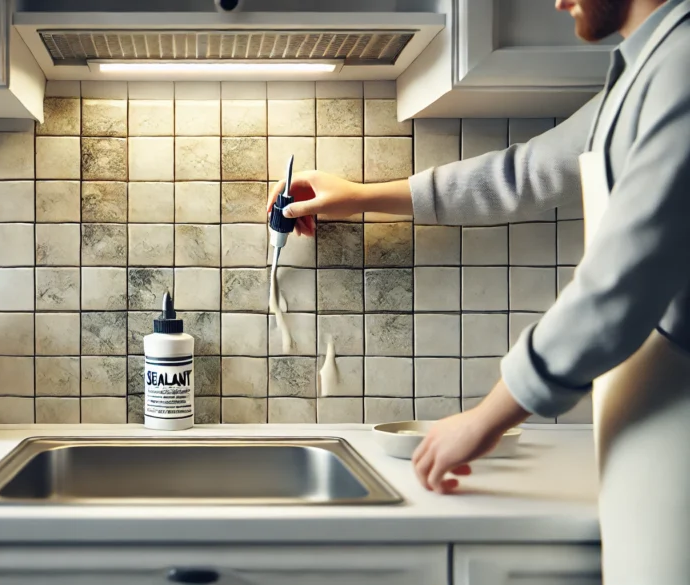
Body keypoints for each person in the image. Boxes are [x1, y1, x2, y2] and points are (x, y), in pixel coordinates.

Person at [268, 0, 690, 582]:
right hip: (652, 437)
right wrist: (360, 195)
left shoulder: (683, 68)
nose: (556, 2)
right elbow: (519, 176)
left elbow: (624, 280)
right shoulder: (650, 69)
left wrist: (486, 418)